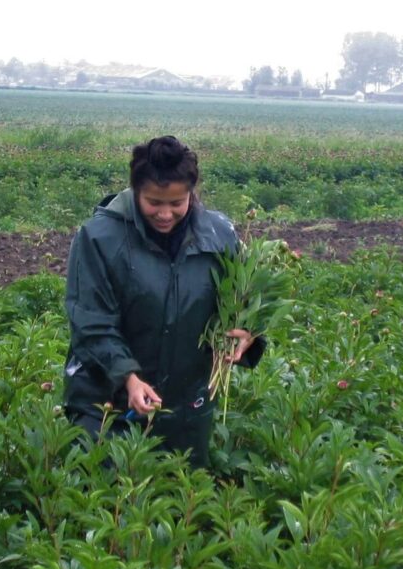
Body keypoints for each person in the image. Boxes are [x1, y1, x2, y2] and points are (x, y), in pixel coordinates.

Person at [63, 135, 264, 467]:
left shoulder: (218, 235)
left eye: (177, 202)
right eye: (154, 202)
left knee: (179, 501)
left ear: (191, 193)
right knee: (106, 500)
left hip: (186, 407)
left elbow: (246, 296)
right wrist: (127, 376)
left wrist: (247, 331)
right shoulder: (99, 238)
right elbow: (91, 320)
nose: (166, 214)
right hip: (106, 403)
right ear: (136, 191)